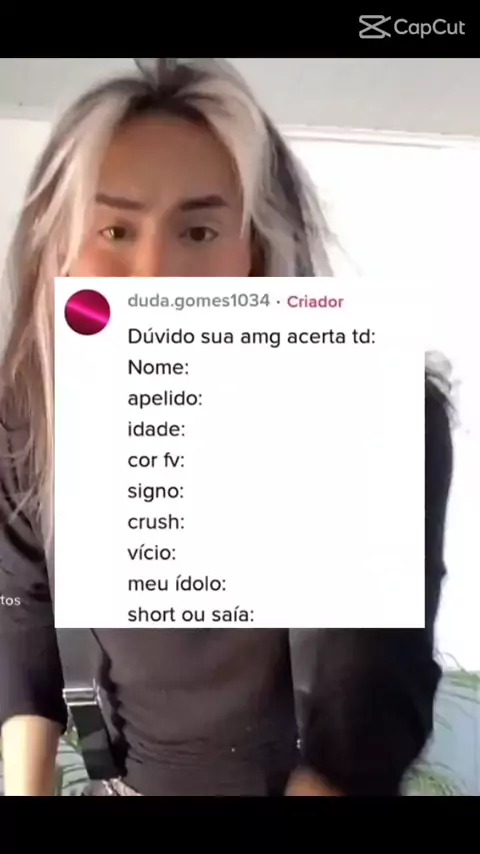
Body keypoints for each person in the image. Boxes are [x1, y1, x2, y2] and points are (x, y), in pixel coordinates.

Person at [0, 58, 453, 796]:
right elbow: (22, 603)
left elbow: (370, 690)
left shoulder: (379, 409)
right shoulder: (32, 410)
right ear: (59, 251)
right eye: (114, 229)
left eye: (200, 230)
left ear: (257, 248)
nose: (155, 275)